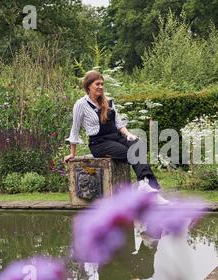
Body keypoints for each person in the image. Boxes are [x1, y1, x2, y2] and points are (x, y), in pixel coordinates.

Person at [64, 70, 168, 204]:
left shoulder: (108, 102)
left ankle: (145, 185)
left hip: (116, 137)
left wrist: (129, 135)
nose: (101, 87)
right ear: (88, 86)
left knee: (138, 144)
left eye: (102, 84)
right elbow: (75, 129)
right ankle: (149, 191)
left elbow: (119, 124)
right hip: (99, 143)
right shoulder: (81, 104)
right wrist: (72, 153)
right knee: (130, 153)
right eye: (97, 84)